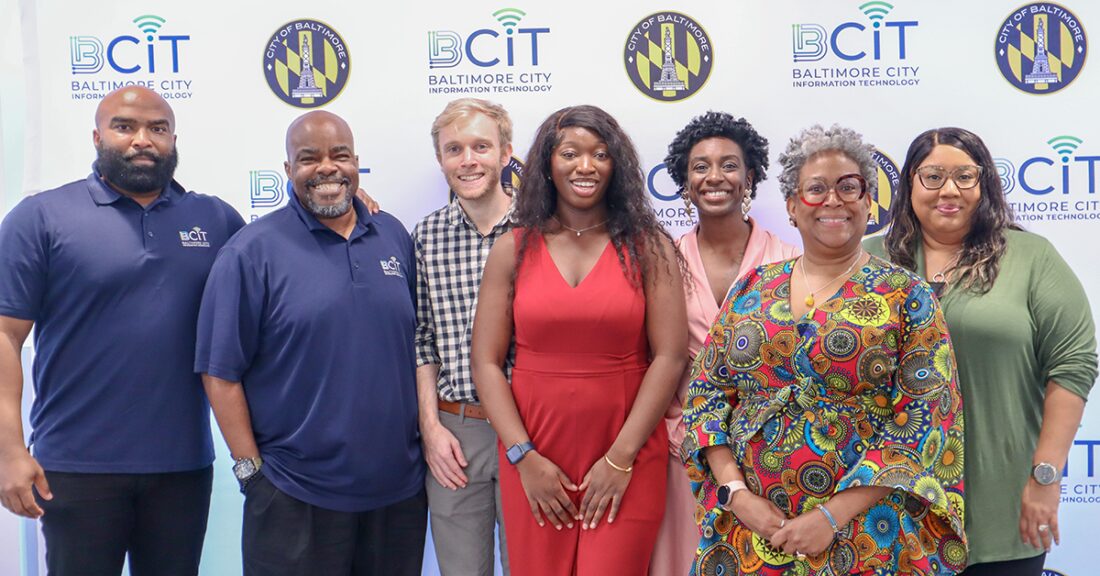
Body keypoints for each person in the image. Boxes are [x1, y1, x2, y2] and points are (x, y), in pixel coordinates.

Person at [683, 124, 967, 575]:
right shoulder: (752, 289)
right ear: (793, 207)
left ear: (867, 202)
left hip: (863, 536)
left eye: (848, 187)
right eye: (816, 189)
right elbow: (705, 397)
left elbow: (924, 423)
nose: (833, 200)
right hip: (750, 536)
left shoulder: (905, 296)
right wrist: (737, 494)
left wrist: (831, 516)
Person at [0, 86, 244, 575]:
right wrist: (9, 448)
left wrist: (348, 202)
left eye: (157, 129)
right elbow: (6, 335)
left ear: (174, 139)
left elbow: (287, 255)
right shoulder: (41, 217)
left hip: (182, 469)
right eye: (125, 126)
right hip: (75, 469)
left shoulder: (215, 219)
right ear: (97, 136)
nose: (142, 140)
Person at [195, 110, 426, 576]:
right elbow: (219, 373)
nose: (326, 168)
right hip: (294, 496)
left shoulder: (393, 236)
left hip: (398, 495)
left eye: (339, 155)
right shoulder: (250, 251)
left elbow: (420, 347)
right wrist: (252, 476)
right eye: (308, 158)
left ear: (356, 163)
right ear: (287, 170)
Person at [866, 127, 1097, 576]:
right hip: (889, 508)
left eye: (964, 177)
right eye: (933, 176)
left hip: (1002, 506)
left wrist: (1044, 478)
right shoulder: (870, 262)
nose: (948, 190)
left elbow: (1074, 365)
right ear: (910, 183)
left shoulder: (1030, 257)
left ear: (985, 183)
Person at [470, 105, 687, 575]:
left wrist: (620, 459)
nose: (585, 166)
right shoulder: (512, 248)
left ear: (618, 166)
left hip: (625, 454)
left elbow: (669, 358)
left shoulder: (650, 247)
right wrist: (522, 456)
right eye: (570, 153)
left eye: (600, 154)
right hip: (534, 456)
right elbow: (485, 363)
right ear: (548, 163)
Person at [652, 111, 798, 575]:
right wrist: (681, 433)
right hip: (686, 451)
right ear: (684, 180)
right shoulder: (662, 260)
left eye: (729, 165)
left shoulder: (790, 259)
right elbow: (651, 359)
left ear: (750, 175)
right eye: (700, 166)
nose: (715, 176)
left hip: (770, 456)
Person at [415, 98, 514, 576]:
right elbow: (423, 341)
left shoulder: (543, 231)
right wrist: (431, 429)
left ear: (506, 153)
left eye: (481, 146)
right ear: (441, 161)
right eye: (454, 149)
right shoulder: (425, 237)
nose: (468, 160)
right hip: (457, 432)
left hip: (530, 427)